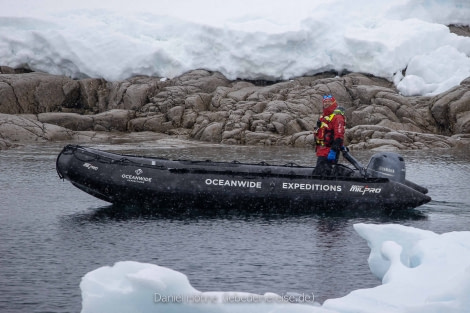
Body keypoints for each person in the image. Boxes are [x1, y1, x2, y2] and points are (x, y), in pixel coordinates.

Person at [313, 94, 346, 176]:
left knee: (323, 174)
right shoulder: (323, 117)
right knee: (318, 172)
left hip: (329, 151)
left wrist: (334, 151)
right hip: (321, 150)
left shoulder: (337, 117)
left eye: (329, 102)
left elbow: (339, 136)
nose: (326, 103)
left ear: (333, 103)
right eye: (325, 102)